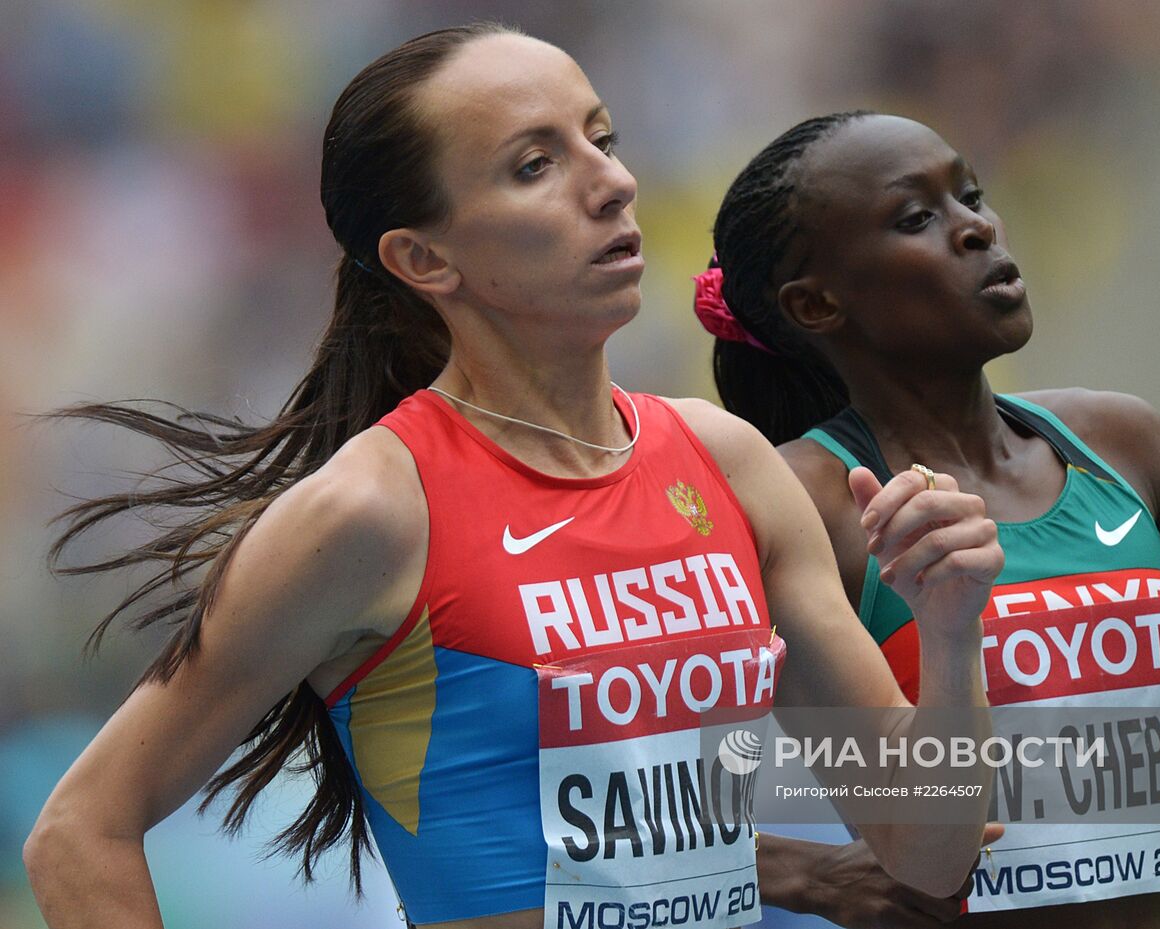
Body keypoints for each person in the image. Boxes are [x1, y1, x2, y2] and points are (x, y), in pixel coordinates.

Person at [21, 29, 1006, 929]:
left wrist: (950, 628)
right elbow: (80, 830)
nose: (612, 184)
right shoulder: (370, 510)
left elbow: (927, 849)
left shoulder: (724, 461)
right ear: (423, 257)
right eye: (534, 165)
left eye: (601, 138)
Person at [696, 111, 1160, 927]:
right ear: (817, 303)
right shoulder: (800, 501)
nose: (976, 228)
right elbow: (628, 785)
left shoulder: (1122, 446)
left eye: (970, 194)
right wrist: (799, 872)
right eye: (918, 217)